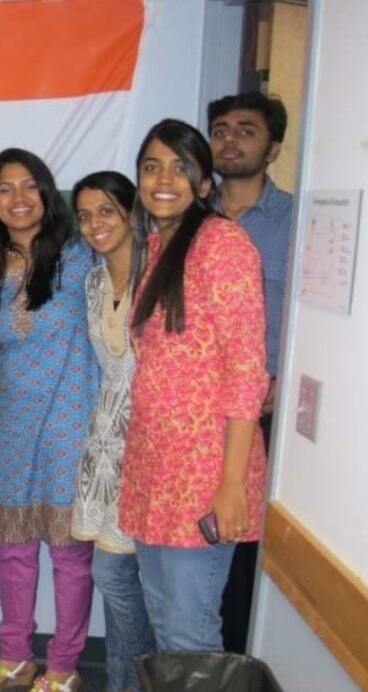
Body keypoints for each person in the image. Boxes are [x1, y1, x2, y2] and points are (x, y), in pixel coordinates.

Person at [119, 119, 268, 653]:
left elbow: (247, 370)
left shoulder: (222, 244)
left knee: (190, 635)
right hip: (156, 472)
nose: (164, 179)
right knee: (165, 626)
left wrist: (231, 485)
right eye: (152, 166)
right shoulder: (161, 247)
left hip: (203, 477)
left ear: (205, 184)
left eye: (181, 168)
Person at [0, 149, 97, 692]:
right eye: (4, 189)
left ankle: (63, 668)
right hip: (14, 428)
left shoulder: (83, 256)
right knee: (14, 554)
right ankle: (14, 658)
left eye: (28, 186)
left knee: (70, 558)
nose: (18, 198)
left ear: (47, 193)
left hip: (73, 425)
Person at [207, 92, 293, 653]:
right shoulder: (189, 215)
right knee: (187, 551)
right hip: (193, 413)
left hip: (261, 414)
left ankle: (231, 664)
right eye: (220, 130)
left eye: (246, 130)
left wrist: (283, 377)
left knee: (240, 551)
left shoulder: (294, 221)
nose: (230, 140)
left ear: (274, 147)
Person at [68, 172, 156, 691]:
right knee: (115, 577)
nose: (94, 224)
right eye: (84, 215)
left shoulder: (161, 276)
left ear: (131, 212)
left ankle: (148, 675)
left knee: (116, 576)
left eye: (105, 210)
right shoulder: (95, 281)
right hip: (106, 442)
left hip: (149, 441)